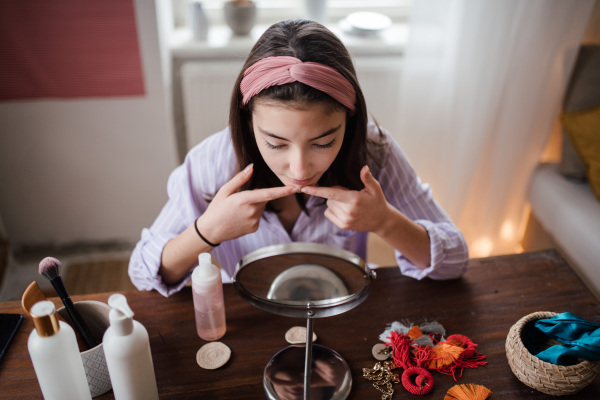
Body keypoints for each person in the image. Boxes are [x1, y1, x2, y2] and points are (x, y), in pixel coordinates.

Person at [129, 19, 469, 297]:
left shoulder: (373, 152)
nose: (299, 168)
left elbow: (455, 261)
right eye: (276, 143)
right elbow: (143, 273)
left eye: (323, 142)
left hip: (344, 304)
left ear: (349, 122)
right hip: (250, 314)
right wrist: (208, 231)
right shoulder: (211, 162)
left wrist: (386, 222)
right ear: (248, 122)